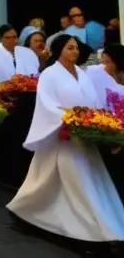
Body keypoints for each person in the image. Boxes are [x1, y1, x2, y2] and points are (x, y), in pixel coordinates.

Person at [7, 34, 124, 241]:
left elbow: (94, 100)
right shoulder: (50, 74)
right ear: (60, 49)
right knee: (72, 182)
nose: (75, 51)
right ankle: (95, 231)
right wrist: (69, 119)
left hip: (83, 135)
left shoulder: (82, 73)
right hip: (62, 135)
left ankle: (29, 211)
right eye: (70, 47)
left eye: (76, 48)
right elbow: (47, 103)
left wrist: (96, 121)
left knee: (52, 182)